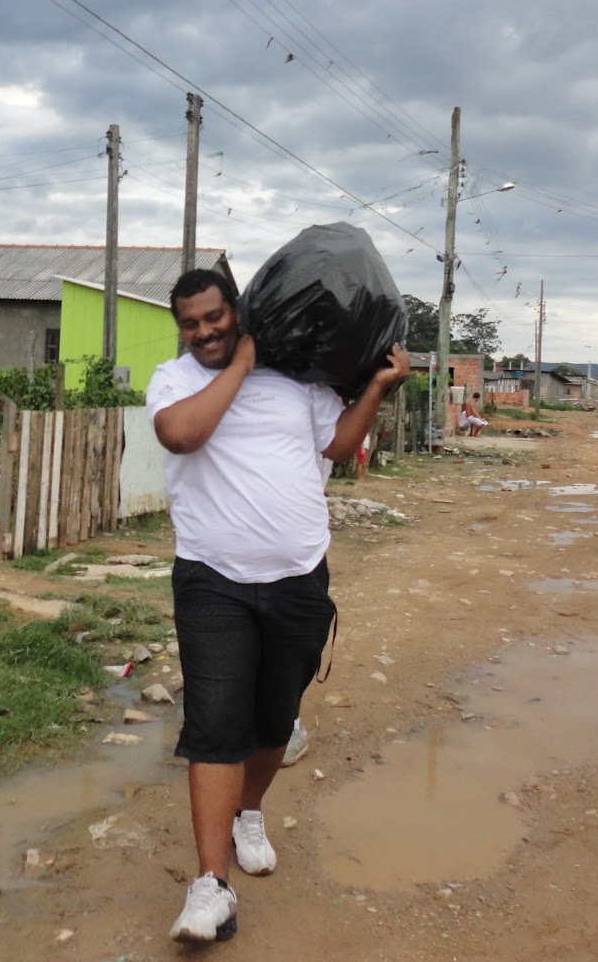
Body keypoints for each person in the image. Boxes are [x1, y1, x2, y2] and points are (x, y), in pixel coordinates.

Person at [146, 268, 409, 944]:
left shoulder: (300, 383)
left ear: (237, 311)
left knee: (275, 719)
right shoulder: (175, 380)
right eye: (190, 323)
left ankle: (249, 811)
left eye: (214, 318)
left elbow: (338, 445)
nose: (203, 331)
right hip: (213, 579)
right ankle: (211, 887)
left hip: (298, 579)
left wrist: (377, 387)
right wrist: (239, 366)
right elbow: (180, 436)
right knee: (214, 724)